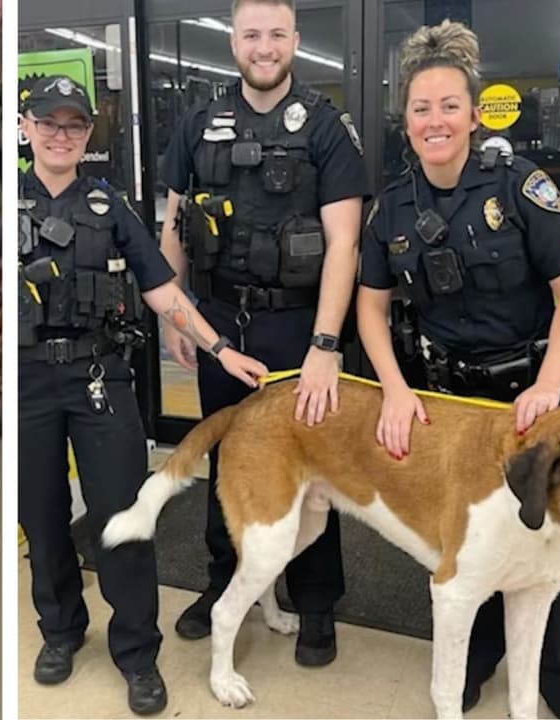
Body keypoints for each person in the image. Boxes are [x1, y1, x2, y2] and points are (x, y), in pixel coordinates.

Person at [355, 20, 560, 719]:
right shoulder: (392, 207)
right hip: (452, 402)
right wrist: (395, 390)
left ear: (472, 114)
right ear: (406, 121)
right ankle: (478, 658)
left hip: (535, 392)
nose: (434, 120)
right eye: (421, 108)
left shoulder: (521, 186)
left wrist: (550, 386)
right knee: (473, 541)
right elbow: (370, 308)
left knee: (557, 537)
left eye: (448, 106)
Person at [18, 75, 269, 716]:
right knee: (41, 515)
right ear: (24, 128)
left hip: (99, 377)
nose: (60, 135)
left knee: (122, 518)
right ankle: (61, 631)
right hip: (22, 382)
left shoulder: (111, 208)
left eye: (74, 125)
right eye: (48, 123)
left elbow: (162, 291)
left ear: (87, 135)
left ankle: (136, 653)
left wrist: (219, 348)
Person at [157, 0, 370, 666]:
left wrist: (326, 346)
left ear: (295, 41)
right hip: (221, 321)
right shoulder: (197, 123)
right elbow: (175, 225)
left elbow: (344, 244)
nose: (264, 46)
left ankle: (316, 602)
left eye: (277, 34)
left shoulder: (326, 127)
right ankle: (225, 583)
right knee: (228, 459)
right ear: (234, 42)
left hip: (299, 326)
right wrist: (176, 316)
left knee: (315, 463)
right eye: (252, 34)